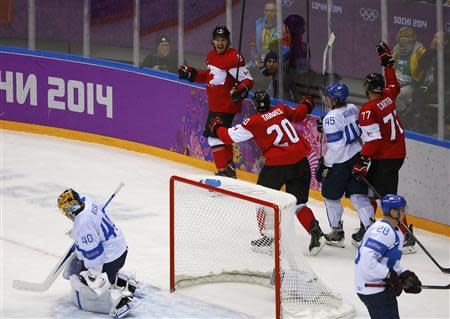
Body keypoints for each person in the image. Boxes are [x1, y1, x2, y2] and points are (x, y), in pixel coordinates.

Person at [210, 90, 326, 256]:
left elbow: (229, 137)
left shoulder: (253, 121)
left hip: (277, 166)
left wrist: (216, 126)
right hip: (301, 162)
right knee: (299, 203)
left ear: (255, 105)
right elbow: (299, 113)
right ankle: (316, 233)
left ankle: (268, 240)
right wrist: (307, 103)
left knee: (261, 200)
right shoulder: (281, 109)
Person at [353, 41, 416, 254]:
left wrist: (362, 160)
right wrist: (387, 63)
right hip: (396, 153)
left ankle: (406, 235)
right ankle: (368, 227)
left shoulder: (368, 110)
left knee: (388, 197)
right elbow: (394, 84)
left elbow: (374, 140)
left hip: (386, 157)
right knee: (372, 192)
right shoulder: (388, 96)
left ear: (367, 89)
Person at [178, 26, 254, 178]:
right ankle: (229, 169)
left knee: (213, 137)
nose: (220, 43)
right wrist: (193, 74)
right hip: (215, 105)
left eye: (223, 40)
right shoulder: (211, 55)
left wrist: (242, 88)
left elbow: (248, 79)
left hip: (226, 106)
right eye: (217, 40)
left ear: (228, 41)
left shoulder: (234, 57)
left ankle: (223, 172)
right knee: (220, 137)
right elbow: (210, 75)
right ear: (213, 41)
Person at [57, 189, 142, 318]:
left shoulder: (83, 225)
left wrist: (94, 277)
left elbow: (95, 254)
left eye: (66, 210)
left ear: (73, 208)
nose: (65, 213)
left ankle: (121, 300)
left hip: (112, 258)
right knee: (82, 266)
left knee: (89, 286)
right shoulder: (86, 200)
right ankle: (124, 282)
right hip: (120, 248)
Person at [315, 82, 374, 248]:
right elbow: (344, 124)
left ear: (334, 100)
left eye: (328, 97)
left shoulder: (330, 119)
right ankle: (370, 233)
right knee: (359, 196)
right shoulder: (353, 107)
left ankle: (337, 232)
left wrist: (325, 165)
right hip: (357, 156)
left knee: (330, 197)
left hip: (339, 163)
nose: (326, 99)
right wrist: (326, 126)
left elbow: (336, 147)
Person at [355, 194, 422, 319]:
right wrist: (390, 275)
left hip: (379, 286)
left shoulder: (394, 230)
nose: (404, 214)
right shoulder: (382, 232)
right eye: (402, 210)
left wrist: (403, 273)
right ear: (393, 212)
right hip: (373, 290)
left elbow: (388, 260)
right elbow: (367, 261)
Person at [410, 31, 450, 135]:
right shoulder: (431, 52)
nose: (435, 40)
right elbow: (421, 63)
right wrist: (431, 50)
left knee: (420, 95)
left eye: (438, 38)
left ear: (445, 42)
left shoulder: (446, 55)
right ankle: (417, 121)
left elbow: (444, 77)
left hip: (439, 88)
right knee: (417, 94)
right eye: (434, 37)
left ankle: (423, 124)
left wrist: (439, 51)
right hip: (425, 86)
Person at [392, 27, 426, 114]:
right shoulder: (396, 49)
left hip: (412, 84)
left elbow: (425, 67)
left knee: (395, 97)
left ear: (412, 38)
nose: (403, 39)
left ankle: (405, 114)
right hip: (397, 82)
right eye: (401, 36)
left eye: (406, 36)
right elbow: (391, 66)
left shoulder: (419, 50)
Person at [248, 1, 291, 69]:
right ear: (264, 11)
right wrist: (256, 60)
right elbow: (252, 46)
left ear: (277, 12)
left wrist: (270, 61)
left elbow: (286, 50)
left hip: (273, 65)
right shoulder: (258, 26)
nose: (269, 13)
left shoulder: (282, 28)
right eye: (267, 10)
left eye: (272, 11)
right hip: (257, 63)